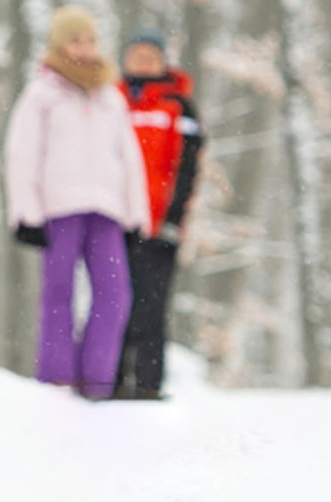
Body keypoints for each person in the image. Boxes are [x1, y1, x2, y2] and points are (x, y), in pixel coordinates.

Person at [4, 5, 150, 400]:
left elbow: (129, 157)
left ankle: (98, 380)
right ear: (59, 44)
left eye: (89, 40)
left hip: (107, 209)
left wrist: (138, 215)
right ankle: (57, 377)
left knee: (115, 292)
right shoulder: (42, 93)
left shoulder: (111, 96)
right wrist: (26, 213)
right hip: (59, 207)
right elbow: (22, 153)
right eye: (75, 39)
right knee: (58, 290)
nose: (83, 47)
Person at [115, 28, 204, 400]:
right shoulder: (109, 101)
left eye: (151, 56)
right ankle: (109, 379)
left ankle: (149, 384)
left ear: (163, 61)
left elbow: (187, 167)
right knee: (113, 302)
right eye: (137, 54)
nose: (143, 62)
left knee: (151, 303)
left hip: (158, 225)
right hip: (115, 221)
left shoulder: (179, 106)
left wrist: (173, 220)